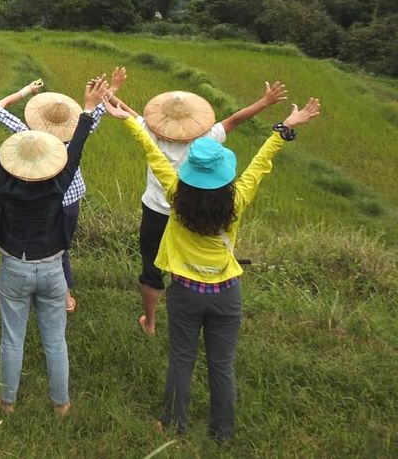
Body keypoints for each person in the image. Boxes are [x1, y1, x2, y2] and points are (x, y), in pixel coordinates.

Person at [106, 96, 321, 443]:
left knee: (181, 359)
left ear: (190, 172)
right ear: (223, 174)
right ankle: (222, 433)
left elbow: (153, 153)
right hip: (226, 294)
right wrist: (287, 127)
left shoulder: (176, 194)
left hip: (185, 292)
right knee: (222, 365)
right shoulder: (236, 198)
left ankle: (173, 423)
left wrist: (128, 119)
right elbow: (261, 162)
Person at [0, 75, 111, 415]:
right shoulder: (61, 181)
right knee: (55, 340)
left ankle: (7, 402)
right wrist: (88, 108)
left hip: (15, 266)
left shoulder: (3, 180)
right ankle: (61, 404)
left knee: (12, 338)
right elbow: (76, 145)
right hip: (52, 268)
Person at [112, 81, 288, 335]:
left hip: (155, 212)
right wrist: (265, 101)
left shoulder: (150, 133)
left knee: (151, 268)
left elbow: (134, 118)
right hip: (189, 213)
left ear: (161, 118)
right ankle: (192, 313)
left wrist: (110, 97)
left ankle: (150, 322)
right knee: (186, 266)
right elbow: (235, 120)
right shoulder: (207, 139)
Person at [0, 68, 126, 312]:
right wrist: (112, 89)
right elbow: (94, 112)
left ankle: (40, 289)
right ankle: (65, 296)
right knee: (62, 245)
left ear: (40, 117)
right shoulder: (76, 134)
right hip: (70, 199)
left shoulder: (32, 136)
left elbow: (7, 119)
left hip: (43, 199)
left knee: (41, 244)